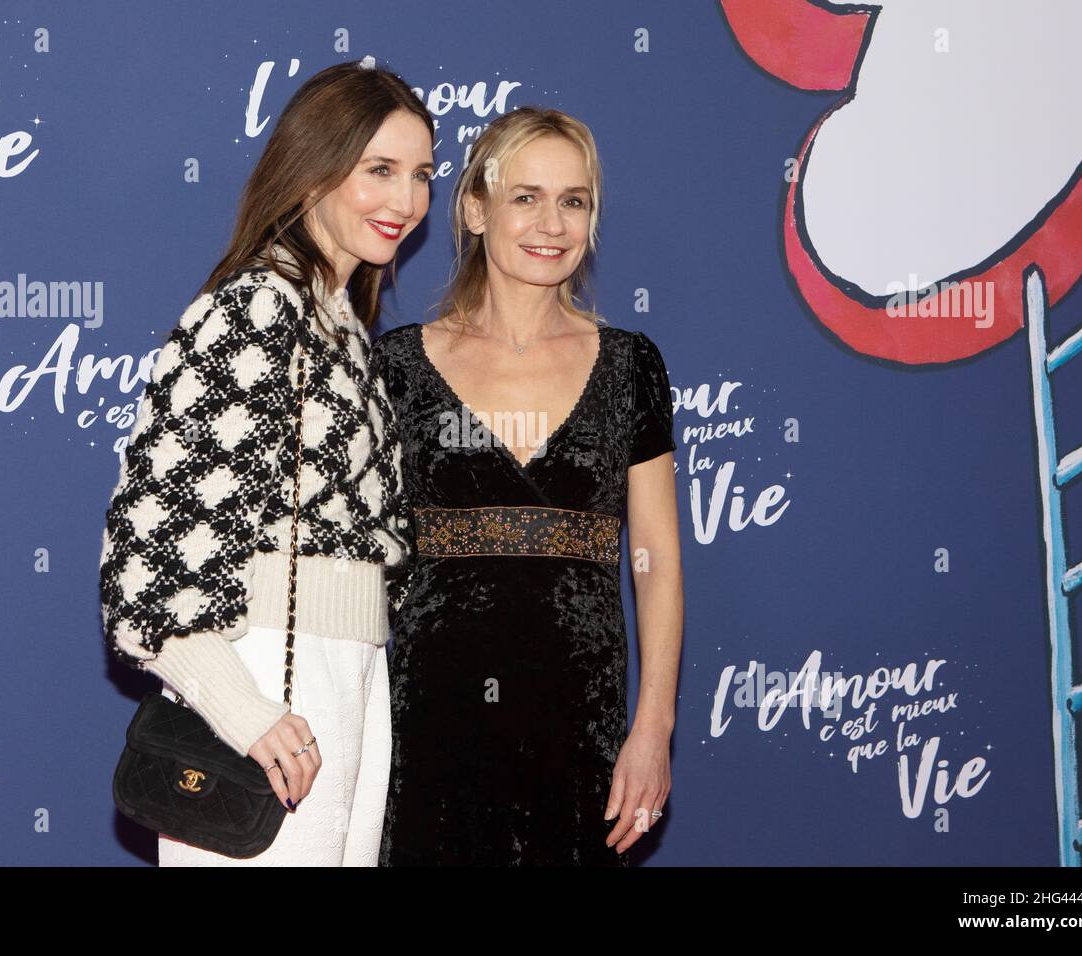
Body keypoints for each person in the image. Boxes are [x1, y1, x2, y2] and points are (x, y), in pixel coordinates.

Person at [97, 59, 434, 866]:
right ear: (312, 168)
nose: (406, 201)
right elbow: (146, 566)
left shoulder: (340, 327)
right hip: (269, 689)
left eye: (421, 175)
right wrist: (242, 710)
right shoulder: (254, 310)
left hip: (346, 688)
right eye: (378, 170)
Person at [373, 107, 684, 865]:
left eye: (573, 200)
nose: (553, 223)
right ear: (476, 209)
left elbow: (658, 561)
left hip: (580, 722)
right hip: (431, 720)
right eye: (527, 196)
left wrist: (653, 729)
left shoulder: (630, 365)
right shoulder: (396, 368)